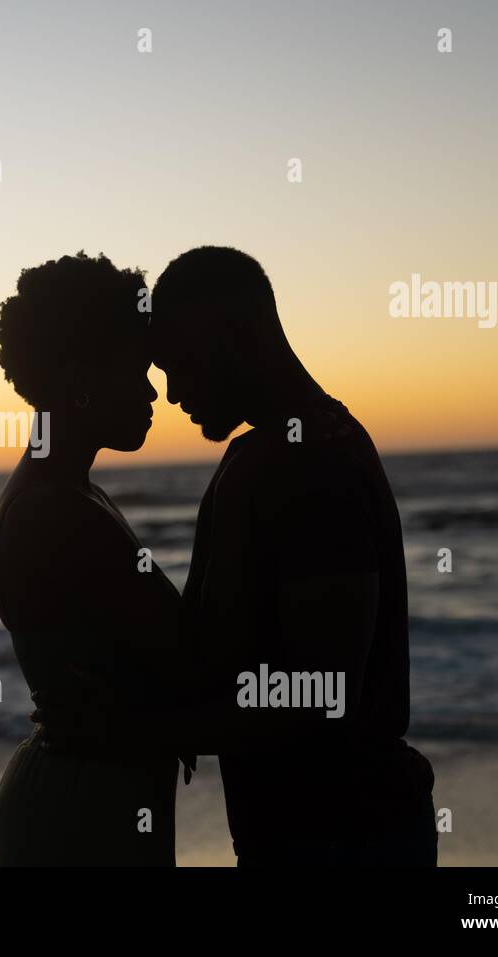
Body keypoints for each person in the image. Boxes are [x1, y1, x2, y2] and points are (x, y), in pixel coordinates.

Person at [146, 245, 438, 866]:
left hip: (344, 841)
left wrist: (151, 729)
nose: (172, 393)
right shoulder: (274, 454)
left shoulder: (310, 464)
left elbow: (322, 696)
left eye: (182, 364)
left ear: (237, 335)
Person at [0, 251, 191, 866]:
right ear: (79, 379)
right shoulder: (54, 510)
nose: (153, 389)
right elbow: (179, 664)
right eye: (135, 369)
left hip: (90, 792)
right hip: (83, 809)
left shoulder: (67, 493)